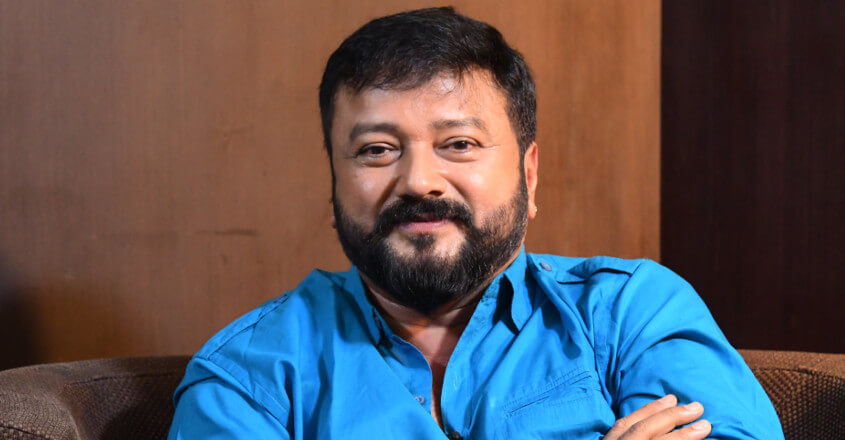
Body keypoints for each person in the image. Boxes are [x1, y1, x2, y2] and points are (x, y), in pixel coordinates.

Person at [168, 7, 783, 439]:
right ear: (334, 184)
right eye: (377, 150)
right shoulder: (249, 375)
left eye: (458, 144)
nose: (419, 181)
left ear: (528, 174)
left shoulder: (631, 315)